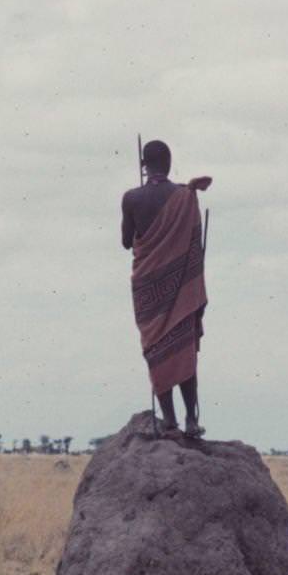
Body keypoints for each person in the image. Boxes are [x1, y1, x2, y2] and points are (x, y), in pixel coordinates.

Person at [122, 139, 211, 437]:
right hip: (180, 287)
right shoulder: (184, 196)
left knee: (156, 348)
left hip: (148, 287)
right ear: (170, 163)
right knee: (184, 348)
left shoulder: (131, 198)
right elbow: (191, 244)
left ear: (143, 166)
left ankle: (169, 418)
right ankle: (190, 420)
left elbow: (126, 241)